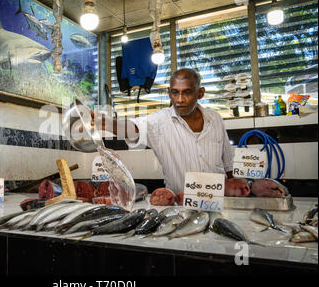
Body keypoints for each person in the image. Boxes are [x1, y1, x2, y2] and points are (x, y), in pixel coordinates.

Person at [92, 68, 250, 197]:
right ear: (169, 93)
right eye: (175, 93)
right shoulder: (160, 121)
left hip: (219, 201)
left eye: (187, 92)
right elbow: (134, 128)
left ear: (200, 93)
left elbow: (229, 165)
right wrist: (103, 122)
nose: (180, 99)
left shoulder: (215, 119)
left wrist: (240, 190)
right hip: (179, 204)